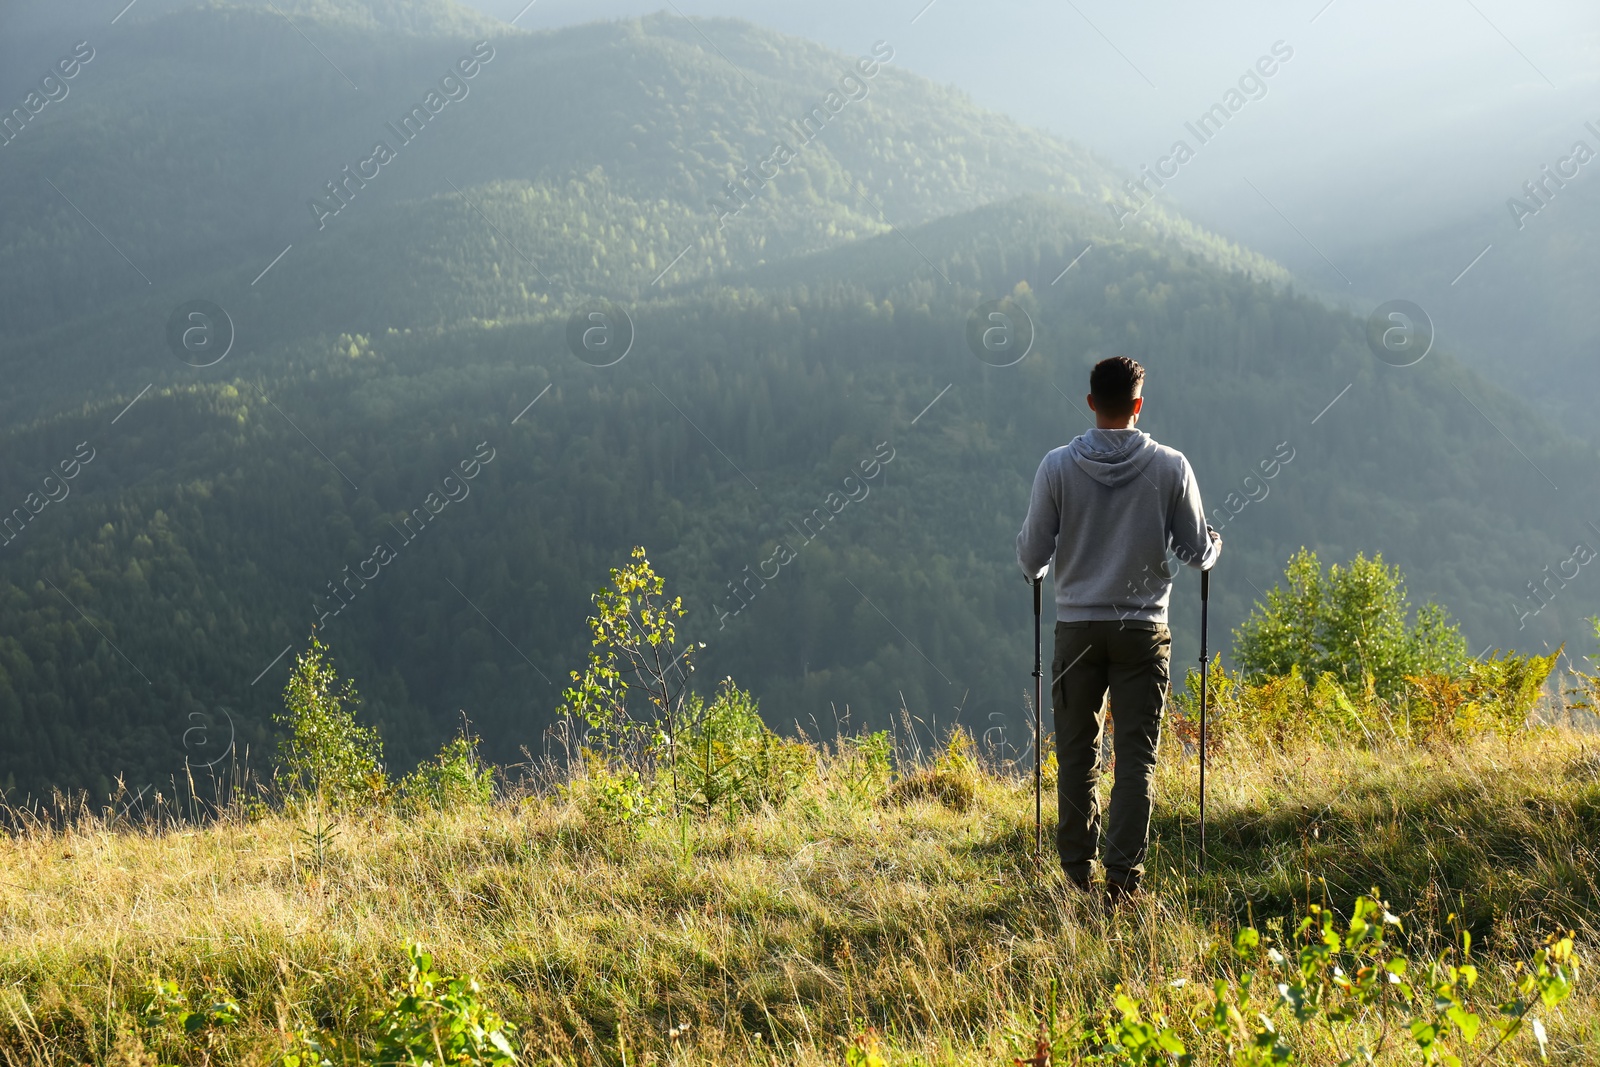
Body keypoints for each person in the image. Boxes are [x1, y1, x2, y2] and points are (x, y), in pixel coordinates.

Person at [1016, 356, 1219, 900]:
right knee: (1135, 755)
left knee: (1077, 752)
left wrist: (1040, 567)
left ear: (1090, 403)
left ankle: (1076, 874)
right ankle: (1124, 879)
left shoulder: (1056, 468)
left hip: (1077, 630)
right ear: (1138, 404)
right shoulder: (1171, 467)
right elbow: (1196, 552)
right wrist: (1214, 546)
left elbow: (1032, 555)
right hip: (1143, 629)